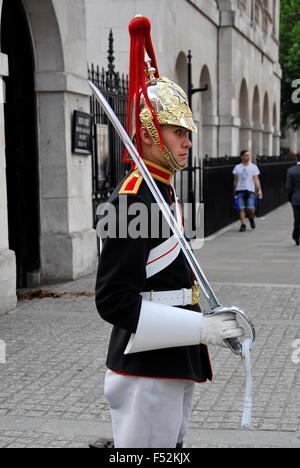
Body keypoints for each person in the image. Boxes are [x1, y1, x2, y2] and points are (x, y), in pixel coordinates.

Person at [95, 16, 244, 449]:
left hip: (174, 356)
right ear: (146, 130)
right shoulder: (130, 200)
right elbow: (113, 300)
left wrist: (209, 321)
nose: (187, 141)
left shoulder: (164, 193)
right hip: (147, 364)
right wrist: (202, 331)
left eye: (188, 132)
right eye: (178, 131)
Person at [233, 150, 263, 232]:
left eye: (249, 155)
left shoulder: (253, 167)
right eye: (246, 155)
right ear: (242, 157)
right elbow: (235, 180)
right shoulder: (237, 167)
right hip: (240, 190)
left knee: (251, 208)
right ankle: (243, 224)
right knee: (241, 208)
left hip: (250, 190)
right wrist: (234, 190)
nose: (248, 157)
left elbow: (256, 179)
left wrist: (259, 189)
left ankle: (251, 218)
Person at [286, 153, 300, 246]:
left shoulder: (291, 170)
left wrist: (290, 197)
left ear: (296, 158)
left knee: (297, 218)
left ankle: (296, 236)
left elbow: (288, 187)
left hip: (296, 198)